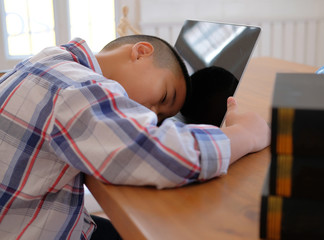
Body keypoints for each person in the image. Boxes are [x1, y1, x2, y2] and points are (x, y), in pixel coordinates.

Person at [0, 35, 270, 239]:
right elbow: (164, 155)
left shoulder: (52, 62)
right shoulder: (77, 89)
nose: (151, 115)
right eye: (164, 97)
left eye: (161, 117)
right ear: (141, 52)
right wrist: (246, 134)